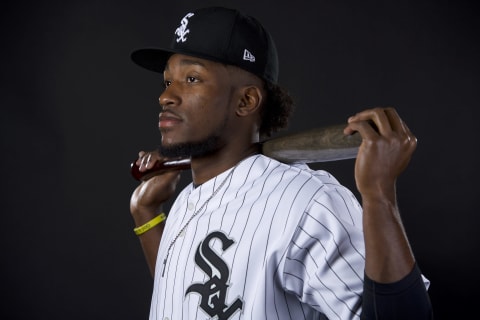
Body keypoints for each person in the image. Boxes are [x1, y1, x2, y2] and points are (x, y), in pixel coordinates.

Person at [129, 6, 433, 320]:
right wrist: (147, 215)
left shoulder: (306, 202)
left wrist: (379, 196)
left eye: (191, 79)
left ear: (246, 101)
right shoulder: (185, 200)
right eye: (168, 82)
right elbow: (181, 298)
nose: (166, 97)